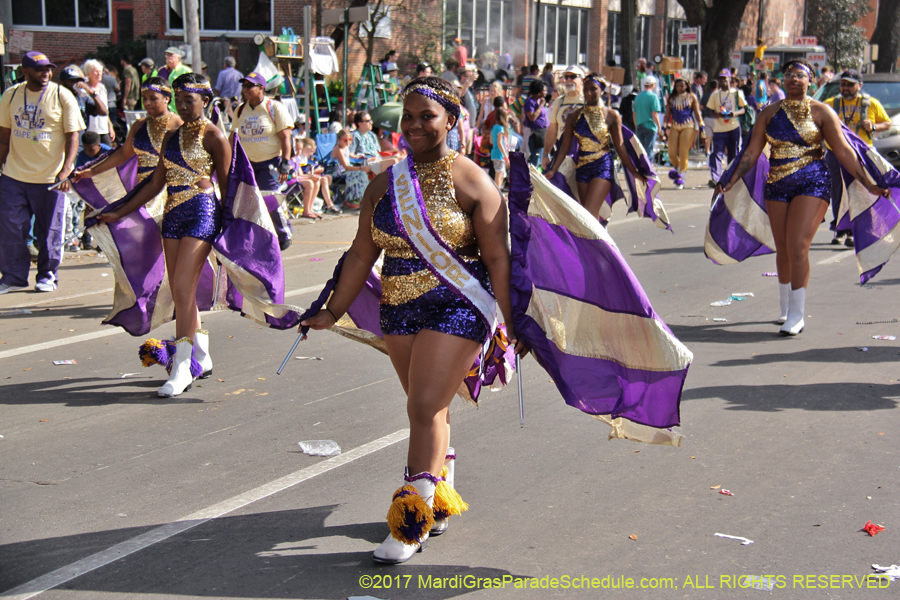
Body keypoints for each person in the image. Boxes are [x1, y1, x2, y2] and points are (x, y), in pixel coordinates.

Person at [300, 76, 524, 564]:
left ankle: (410, 520)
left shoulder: (474, 181)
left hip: (459, 304)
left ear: (452, 120)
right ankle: (439, 494)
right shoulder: (384, 184)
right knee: (430, 409)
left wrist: (515, 323)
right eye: (409, 117)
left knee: (423, 407)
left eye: (427, 116)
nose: (415, 125)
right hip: (398, 307)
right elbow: (361, 253)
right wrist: (331, 310)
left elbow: (498, 259)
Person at [714, 59, 889, 336]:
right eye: (788, 75)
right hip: (777, 184)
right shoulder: (768, 113)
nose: (793, 79)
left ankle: (797, 315)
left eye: (800, 75)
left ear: (810, 80)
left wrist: (869, 183)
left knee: (798, 246)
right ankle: (786, 307)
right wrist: (729, 180)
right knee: (783, 248)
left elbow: (843, 151)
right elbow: (751, 152)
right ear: (782, 80)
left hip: (813, 184)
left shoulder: (822, 111)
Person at [96, 73, 230, 396]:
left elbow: (228, 188)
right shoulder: (170, 137)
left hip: (202, 212)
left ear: (205, 101)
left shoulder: (214, 137)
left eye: (189, 100)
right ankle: (202, 354)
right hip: (172, 215)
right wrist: (119, 211)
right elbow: (155, 184)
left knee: (182, 287)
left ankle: (182, 366)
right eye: (179, 100)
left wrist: (230, 232)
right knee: (181, 292)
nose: (182, 106)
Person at [0, 51, 85, 294]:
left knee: (49, 231)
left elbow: (73, 136)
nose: (46, 73)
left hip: (51, 177)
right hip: (14, 175)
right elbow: (4, 136)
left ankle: (47, 275)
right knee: (11, 228)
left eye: (48, 68)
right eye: (40, 69)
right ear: (25, 72)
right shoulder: (11, 95)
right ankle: (13, 276)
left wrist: (66, 170)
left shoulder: (61, 95)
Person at [544, 74, 648, 220]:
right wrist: (553, 169)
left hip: (602, 166)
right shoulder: (573, 116)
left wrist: (634, 172)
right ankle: (599, 235)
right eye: (586, 89)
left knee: (589, 214)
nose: (589, 93)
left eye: (593, 89)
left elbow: (620, 147)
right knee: (588, 216)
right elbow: (564, 147)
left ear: (602, 91)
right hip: (582, 167)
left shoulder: (612, 115)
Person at [73, 77, 183, 190]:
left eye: (153, 98)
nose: (147, 103)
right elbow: (123, 154)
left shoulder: (178, 124)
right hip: (143, 188)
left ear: (166, 99)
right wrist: (92, 171)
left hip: (170, 189)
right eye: (144, 98)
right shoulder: (139, 125)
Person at [823, 68, 891, 247]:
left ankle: (855, 231)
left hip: (861, 154)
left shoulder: (871, 103)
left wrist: (874, 126)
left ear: (859, 86)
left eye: (850, 85)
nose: (845, 88)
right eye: (843, 84)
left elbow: (887, 123)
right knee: (838, 192)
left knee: (860, 192)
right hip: (835, 153)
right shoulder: (830, 104)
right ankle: (840, 229)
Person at [231, 71, 294, 249]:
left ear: (261, 88)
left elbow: (285, 137)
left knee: (270, 200)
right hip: (247, 164)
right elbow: (233, 137)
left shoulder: (274, 108)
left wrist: (285, 163)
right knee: (248, 202)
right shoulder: (240, 110)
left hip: (269, 163)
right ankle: (255, 236)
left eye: (249, 86)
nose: (245, 89)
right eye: (244, 86)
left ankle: (283, 235)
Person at [706, 68, 746, 187]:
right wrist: (718, 115)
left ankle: (731, 177)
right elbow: (711, 112)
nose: (723, 81)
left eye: (725, 79)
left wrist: (735, 113)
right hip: (719, 129)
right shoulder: (715, 95)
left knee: (733, 154)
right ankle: (716, 178)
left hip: (733, 127)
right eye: (721, 79)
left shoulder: (736, 93)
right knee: (716, 153)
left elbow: (744, 109)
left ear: (730, 79)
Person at [662, 76, 703, 190]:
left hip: (688, 125)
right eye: (677, 86)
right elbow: (667, 114)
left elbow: (697, 112)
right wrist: (664, 126)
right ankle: (678, 169)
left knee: (683, 152)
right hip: (675, 125)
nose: (679, 88)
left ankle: (681, 178)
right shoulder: (671, 98)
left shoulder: (692, 97)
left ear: (687, 86)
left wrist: (701, 124)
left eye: (682, 86)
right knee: (671, 153)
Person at [541, 65, 585, 170]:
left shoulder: (589, 101)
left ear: (582, 80)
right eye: (566, 77)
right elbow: (552, 129)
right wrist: (545, 154)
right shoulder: (559, 101)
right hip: (564, 154)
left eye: (572, 77)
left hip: (584, 155)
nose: (568, 80)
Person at [331, 129, 371, 209]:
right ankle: (350, 199)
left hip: (345, 170)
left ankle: (361, 197)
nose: (348, 142)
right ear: (339, 140)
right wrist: (361, 168)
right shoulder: (338, 150)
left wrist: (361, 157)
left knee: (362, 174)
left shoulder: (345, 148)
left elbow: (350, 155)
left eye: (350, 139)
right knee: (358, 174)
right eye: (345, 140)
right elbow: (346, 167)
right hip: (338, 172)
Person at [82, 59, 113, 146]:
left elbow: (105, 109)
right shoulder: (84, 89)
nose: (99, 74)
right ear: (88, 74)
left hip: (103, 129)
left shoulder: (102, 87)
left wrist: (110, 126)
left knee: (108, 151)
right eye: (96, 71)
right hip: (91, 129)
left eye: (100, 71)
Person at [633, 76, 662, 157]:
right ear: (653, 85)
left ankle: (640, 165)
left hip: (639, 125)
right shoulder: (653, 97)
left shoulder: (638, 97)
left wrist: (636, 125)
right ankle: (648, 165)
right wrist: (659, 127)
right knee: (648, 151)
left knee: (640, 152)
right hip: (650, 127)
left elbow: (634, 114)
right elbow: (654, 114)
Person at [523, 80, 548, 167]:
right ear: (538, 91)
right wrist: (541, 105)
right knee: (535, 158)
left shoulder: (539, 101)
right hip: (534, 134)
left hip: (542, 133)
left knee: (540, 158)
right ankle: (532, 175)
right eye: (544, 90)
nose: (546, 92)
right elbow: (532, 117)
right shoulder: (530, 102)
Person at [490, 104, 510, 187]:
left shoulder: (494, 127)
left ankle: (498, 190)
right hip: (499, 154)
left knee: (500, 174)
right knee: (499, 174)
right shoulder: (501, 128)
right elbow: (499, 143)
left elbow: (491, 141)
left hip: (494, 153)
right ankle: (497, 191)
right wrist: (505, 155)